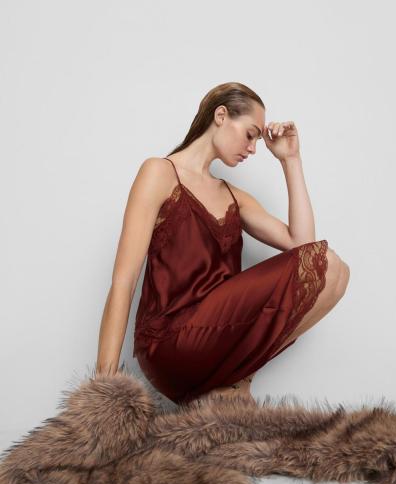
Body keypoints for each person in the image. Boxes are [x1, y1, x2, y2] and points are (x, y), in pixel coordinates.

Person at [95, 82, 350, 405]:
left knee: (336, 273)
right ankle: (233, 383)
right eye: (250, 134)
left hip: (212, 342)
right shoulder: (159, 173)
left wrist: (291, 160)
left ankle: (225, 388)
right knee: (328, 263)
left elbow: (303, 245)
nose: (253, 149)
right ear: (221, 116)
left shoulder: (233, 196)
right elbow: (124, 281)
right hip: (168, 343)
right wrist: (102, 392)